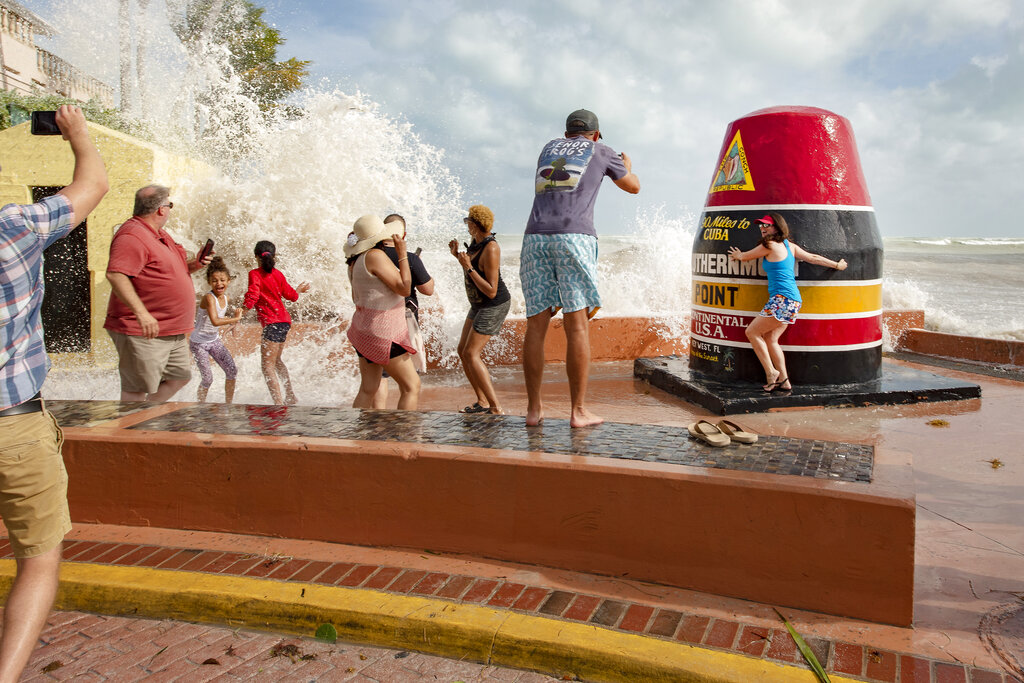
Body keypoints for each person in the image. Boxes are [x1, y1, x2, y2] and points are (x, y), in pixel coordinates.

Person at [0, 105, 108, 682]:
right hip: (14, 425)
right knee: (37, 562)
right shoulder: (13, 228)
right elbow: (93, 185)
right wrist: (78, 134)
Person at [520, 109, 640, 427]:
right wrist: (625, 165)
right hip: (574, 237)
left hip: (534, 237)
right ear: (596, 134)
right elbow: (633, 187)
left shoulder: (548, 148)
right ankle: (578, 411)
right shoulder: (602, 150)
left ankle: (534, 410)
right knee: (576, 327)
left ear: (566, 133)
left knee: (536, 327)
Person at [104, 185, 212, 402]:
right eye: (169, 205)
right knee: (137, 389)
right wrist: (142, 314)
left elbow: (166, 272)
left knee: (179, 377)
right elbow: (116, 275)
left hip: (171, 329)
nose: (170, 209)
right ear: (161, 209)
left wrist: (195, 265)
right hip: (143, 329)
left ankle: (144, 415)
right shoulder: (132, 236)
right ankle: (129, 431)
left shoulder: (159, 234)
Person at [727, 212, 848, 392]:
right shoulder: (789, 246)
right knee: (771, 338)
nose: (762, 229)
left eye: (766, 225)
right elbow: (813, 258)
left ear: (776, 227)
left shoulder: (768, 244)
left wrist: (738, 255)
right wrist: (837, 265)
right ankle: (784, 381)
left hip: (781, 299)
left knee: (752, 332)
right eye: (760, 226)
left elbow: (745, 256)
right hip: (793, 300)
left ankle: (770, 373)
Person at [344, 214, 420, 410]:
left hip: (363, 330)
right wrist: (403, 254)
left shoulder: (356, 260)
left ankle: (360, 436)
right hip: (385, 333)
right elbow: (404, 288)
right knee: (411, 386)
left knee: (368, 389)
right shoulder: (375, 256)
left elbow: (356, 296)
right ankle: (405, 437)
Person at [448, 205, 510, 414]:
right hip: (478, 304)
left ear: (474, 224)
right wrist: (458, 256)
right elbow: (473, 272)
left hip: (493, 304)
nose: (466, 227)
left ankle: (495, 406)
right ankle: (482, 401)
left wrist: (467, 266)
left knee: (471, 353)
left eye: (468, 223)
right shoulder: (476, 242)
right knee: (462, 351)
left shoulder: (491, 248)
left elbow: (491, 291)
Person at [368, 213, 434, 408]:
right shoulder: (410, 258)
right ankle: (404, 429)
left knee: (380, 376)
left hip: (372, 320)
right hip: (401, 322)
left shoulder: (369, 256)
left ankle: (377, 420)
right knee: (409, 384)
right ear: (403, 235)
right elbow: (428, 290)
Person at [243, 240, 309, 405]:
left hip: (272, 323)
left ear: (256, 256)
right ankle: (290, 395)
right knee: (276, 361)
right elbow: (291, 296)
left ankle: (278, 403)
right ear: (274, 255)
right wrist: (299, 290)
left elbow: (253, 295)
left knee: (267, 365)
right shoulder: (278, 274)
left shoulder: (255, 274)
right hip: (284, 322)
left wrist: (240, 313)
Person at [190, 256, 242, 403]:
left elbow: (230, 316)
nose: (219, 283)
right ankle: (200, 406)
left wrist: (235, 324)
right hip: (198, 343)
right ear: (209, 282)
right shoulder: (209, 298)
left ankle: (228, 405)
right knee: (207, 379)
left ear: (228, 281)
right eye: (214, 281)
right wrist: (235, 319)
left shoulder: (227, 298)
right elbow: (215, 320)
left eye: (222, 280)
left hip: (213, 341)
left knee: (232, 371)